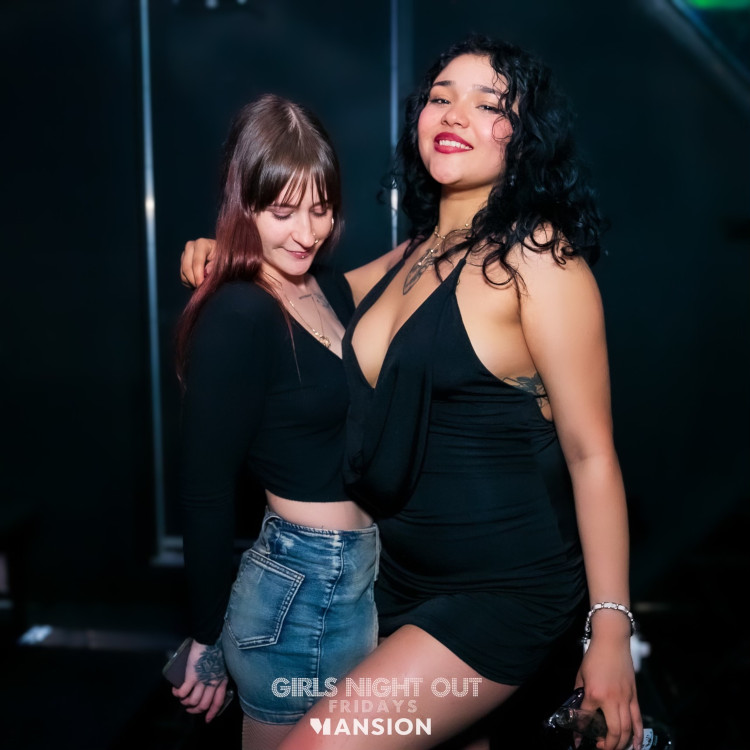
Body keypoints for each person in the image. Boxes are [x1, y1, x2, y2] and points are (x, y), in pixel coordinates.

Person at [181, 35, 643, 750]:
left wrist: (610, 628)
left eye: (488, 104)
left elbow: (592, 456)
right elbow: (302, 296)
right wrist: (227, 252)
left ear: (524, 134)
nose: (454, 114)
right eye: (440, 97)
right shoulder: (413, 255)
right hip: (391, 582)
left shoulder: (538, 258)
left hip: (497, 595)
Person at [172, 93, 386, 750]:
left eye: (320, 209)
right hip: (295, 595)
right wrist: (205, 638)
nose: (306, 233)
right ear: (245, 206)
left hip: (353, 578)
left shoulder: (322, 288)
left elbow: (413, 259)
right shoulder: (238, 313)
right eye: (282, 212)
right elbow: (205, 492)